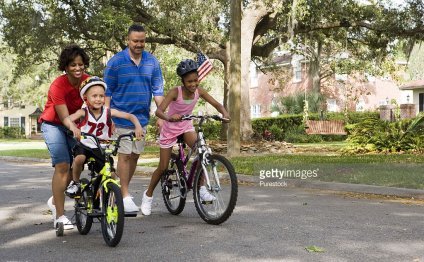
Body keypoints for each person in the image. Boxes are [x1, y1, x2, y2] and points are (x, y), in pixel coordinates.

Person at [140, 59, 231, 216]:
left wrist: (225, 113)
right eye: (189, 81)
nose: (193, 84)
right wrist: (169, 117)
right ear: (182, 81)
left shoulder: (199, 91)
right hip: (170, 128)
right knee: (162, 167)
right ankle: (147, 196)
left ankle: (202, 188)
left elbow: (217, 104)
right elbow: (159, 111)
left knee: (202, 150)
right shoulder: (175, 92)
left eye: (195, 80)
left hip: (186, 126)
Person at [104, 24, 164, 212]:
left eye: (142, 41)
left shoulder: (152, 62)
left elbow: (158, 91)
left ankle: (120, 192)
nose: (139, 44)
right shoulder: (116, 62)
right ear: (128, 40)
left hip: (142, 119)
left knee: (135, 156)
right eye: (135, 41)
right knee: (125, 155)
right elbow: (108, 91)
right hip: (121, 117)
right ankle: (125, 195)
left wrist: (161, 114)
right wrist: (107, 117)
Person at [62, 76, 144, 197]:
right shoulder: (83, 112)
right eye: (94, 96)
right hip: (86, 145)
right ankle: (75, 182)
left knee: (110, 174)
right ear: (86, 98)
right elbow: (67, 119)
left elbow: (130, 116)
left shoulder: (108, 112)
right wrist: (73, 127)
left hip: (102, 148)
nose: (98, 99)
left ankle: (110, 196)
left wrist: (138, 126)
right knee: (79, 158)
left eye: (101, 96)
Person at [39, 44, 90, 230]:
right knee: (62, 165)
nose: (77, 68)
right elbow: (63, 117)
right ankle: (60, 216)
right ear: (66, 67)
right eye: (72, 65)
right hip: (54, 124)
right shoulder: (58, 85)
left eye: (80, 64)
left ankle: (55, 199)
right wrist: (75, 128)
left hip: (75, 124)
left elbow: (98, 101)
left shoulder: (88, 82)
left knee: (79, 160)